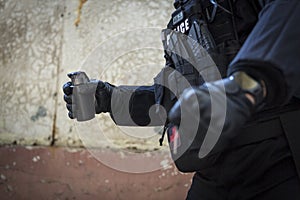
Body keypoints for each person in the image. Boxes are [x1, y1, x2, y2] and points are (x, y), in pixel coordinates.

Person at [63, 0, 300, 199]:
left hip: (278, 153)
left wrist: (245, 84)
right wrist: (108, 99)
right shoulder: (184, 16)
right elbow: (172, 100)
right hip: (215, 166)